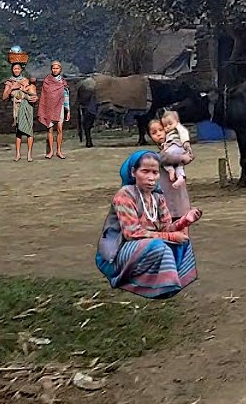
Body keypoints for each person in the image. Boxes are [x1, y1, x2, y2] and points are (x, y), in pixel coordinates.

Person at [95, 150, 201, 299]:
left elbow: (165, 228)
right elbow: (131, 233)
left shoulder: (158, 197)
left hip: (148, 243)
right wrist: (170, 236)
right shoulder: (125, 195)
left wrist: (184, 221)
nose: (151, 178)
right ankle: (144, 283)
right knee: (158, 247)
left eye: (155, 172)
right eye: (145, 171)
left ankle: (169, 285)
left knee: (183, 241)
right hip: (120, 250)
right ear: (133, 172)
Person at [1, 62, 37, 162]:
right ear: (12, 70)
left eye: (18, 69)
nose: (16, 70)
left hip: (27, 106)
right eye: (14, 69)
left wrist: (33, 97)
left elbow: (33, 94)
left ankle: (29, 154)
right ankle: (18, 154)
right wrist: (12, 88)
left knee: (29, 131)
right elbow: (4, 97)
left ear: (21, 70)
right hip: (17, 107)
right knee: (19, 131)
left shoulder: (25, 80)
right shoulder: (9, 82)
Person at [36, 60, 70, 159]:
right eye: (53, 68)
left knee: (60, 129)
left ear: (60, 69)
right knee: (50, 129)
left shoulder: (63, 82)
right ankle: (50, 151)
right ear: (51, 69)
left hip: (60, 108)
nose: (55, 70)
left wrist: (67, 110)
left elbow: (66, 97)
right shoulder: (47, 81)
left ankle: (59, 151)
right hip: (49, 109)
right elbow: (44, 97)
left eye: (57, 68)